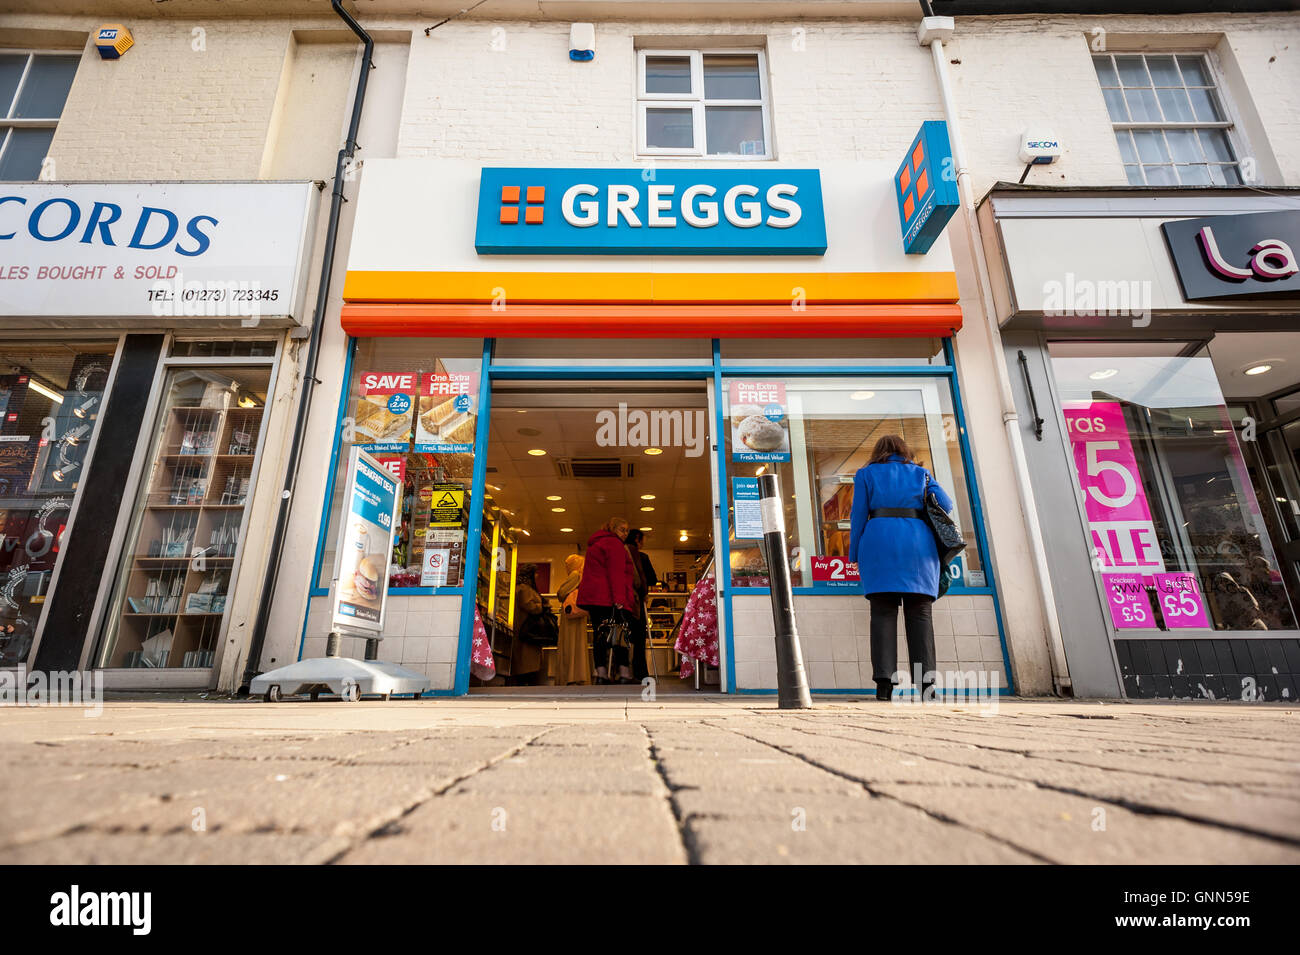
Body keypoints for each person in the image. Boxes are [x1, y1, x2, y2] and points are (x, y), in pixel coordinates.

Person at [848, 434, 955, 702]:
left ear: (878, 451)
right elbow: (947, 505)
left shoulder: (865, 474)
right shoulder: (921, 473)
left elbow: (858, 515)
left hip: (878, 543)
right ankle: (927, 687)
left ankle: (884, 685)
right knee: (920, 614)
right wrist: (928, 483)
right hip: (918, 546)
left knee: (882, 613)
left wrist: (854, 553)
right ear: (903, 451)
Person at [577, 516, 637, 684]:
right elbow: (616, 573)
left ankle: (601, 674)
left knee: (600, 635)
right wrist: (620, 599)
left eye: (627, 531)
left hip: (595, 599)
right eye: (622, 529)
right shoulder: (614, 544)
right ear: (612, 529)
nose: (625, 534)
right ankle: (624, 673)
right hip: (610, 598)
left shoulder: (596, 543)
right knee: (620, 634)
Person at [625, 528, 659, 681]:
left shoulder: (621, 553)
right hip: (637, 603)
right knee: (639, 640)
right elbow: (652, 579)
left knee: (622, 638)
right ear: (637, 539)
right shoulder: (642, 557)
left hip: (622, 601)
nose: (643, 543)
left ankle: (622, 671)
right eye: (642, 539)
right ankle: (640, 673)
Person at [555, 553, 591, 685]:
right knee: (578, 644)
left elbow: (561, 593)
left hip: (571, 615)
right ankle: (577, 675)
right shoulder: (579, 575)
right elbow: (563, 593)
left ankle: (569, 676)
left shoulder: (575, 575)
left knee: (569, 645)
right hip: (577, 614)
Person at [509, 563, 548, 686]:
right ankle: (527, 679)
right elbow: (529, 605)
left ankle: (524, 678)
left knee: (524, 658)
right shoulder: (524, 589)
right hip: (527, 630)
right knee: (527, 659)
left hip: (524, 629)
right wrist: (541, 606)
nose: (537, 576)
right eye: (535, 573)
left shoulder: (520, 587)